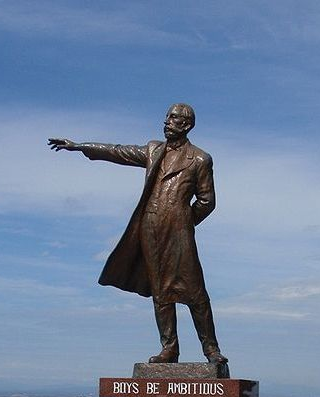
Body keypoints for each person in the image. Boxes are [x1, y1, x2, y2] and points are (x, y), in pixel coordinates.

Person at [48, 103, 227, 365]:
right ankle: (169, 348)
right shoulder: (154, 150)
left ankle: (211, 349)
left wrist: (184, 221)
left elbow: (207, 201)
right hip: (150, 229)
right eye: (166, 117)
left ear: (187, 125)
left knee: (195, 291)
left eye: (173, 118)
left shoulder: (200, 159)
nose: (166, 122)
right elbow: (118, 151)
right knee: (160, 291)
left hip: (179, 232)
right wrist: (79, 146)